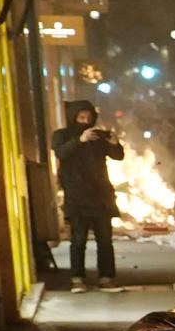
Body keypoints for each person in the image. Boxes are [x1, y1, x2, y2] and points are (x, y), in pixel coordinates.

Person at [52, 99, 122, 290]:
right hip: (76, 197)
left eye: (88, 117)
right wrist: (79, 140)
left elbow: (117, 155)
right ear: (73, 118)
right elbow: (61, 153)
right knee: (78, 241)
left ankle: (106, 277)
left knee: (105, 241)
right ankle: (77, 278)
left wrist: (115, 144)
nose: (85, 121)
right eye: (81, 117)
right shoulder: (62, 136)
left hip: (100, 197)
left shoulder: (98, 137)